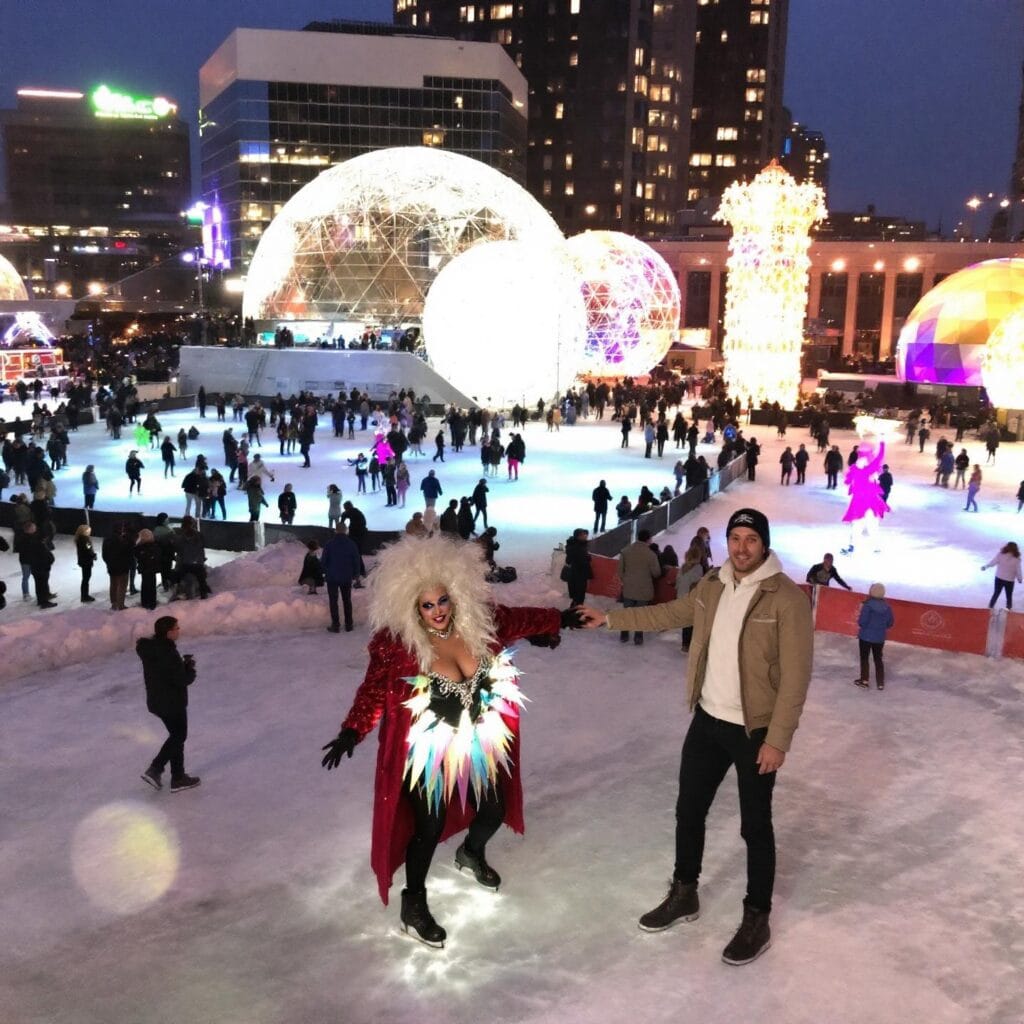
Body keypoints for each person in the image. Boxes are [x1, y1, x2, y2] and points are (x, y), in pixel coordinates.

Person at [577, 508, 814, 966]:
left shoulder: (786, 599)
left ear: (764, 544)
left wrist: (778, 740)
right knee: (688, 811)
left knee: (755, 826)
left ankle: (757, 917)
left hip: (754, 730)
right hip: (707, 720)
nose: (742, 547)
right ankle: (684, 892)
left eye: (751, 539)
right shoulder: (712, 585)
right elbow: (668, 613)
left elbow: (796, 677)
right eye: (735, 537)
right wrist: (609, 620)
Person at [319, 536, 582, 946]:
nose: (438, 611)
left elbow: (522, 619)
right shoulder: (397, 644)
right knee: (429, 825)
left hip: (477, 743)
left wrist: (559, 620)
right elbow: (373, 690)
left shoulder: (480, 622)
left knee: (493, 810)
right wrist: (352, 730)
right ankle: (413, 903)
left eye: (443, 600)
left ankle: (470, 852)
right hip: (428, 750)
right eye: (427, 605)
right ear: (413, 606)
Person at [138, 617, 200, 792]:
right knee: (178, 736)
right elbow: (181, 680)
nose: (179, 631)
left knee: (176, 736)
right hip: (172, 702)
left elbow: (166, 673)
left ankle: (178, 777)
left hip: (158, 701)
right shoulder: (167, 652)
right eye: (176, 628)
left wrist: (181, 666)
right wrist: (189, 669)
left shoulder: (152, 649)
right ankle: (156, 769)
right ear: (168, 632)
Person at [617, 529, 662, 645]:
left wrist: (625, 580)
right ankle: (638, 637)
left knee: (627, 612)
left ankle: (624, 634)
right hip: (644, 589)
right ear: (648, 539)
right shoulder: (651, 555)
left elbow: (620, 571)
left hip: (629, 588)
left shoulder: (626, 551)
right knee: (640, 614)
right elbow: (656, 573)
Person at [322, 523, 362, 632]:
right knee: (347, 600)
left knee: (333, 601)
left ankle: (335, 625)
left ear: (336, 530)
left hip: (332, 577)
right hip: (346, 576)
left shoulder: (329, 544)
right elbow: (356, 560)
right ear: (346, 530)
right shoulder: (351, 544)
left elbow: (323, 561)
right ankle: (349, 624)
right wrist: (356, 574)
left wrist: (325, 572)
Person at [855, 583, 894, 690]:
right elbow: (890, 623)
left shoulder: (867, 605)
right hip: (879, 638)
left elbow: (862, 622)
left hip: (865, 637)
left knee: (864, 658)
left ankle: (864, 680)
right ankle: (880, 683)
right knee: (878, 659)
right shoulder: (887, 607)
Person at [675, 539, 705, 651]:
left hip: (681, 597)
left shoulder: (683, 567)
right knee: (692, 622)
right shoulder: (698, 568)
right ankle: (690, 644)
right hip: (691, 599)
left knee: (686, 622)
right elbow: (698, 583)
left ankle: (685, 644)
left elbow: (677, 583)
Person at [102, 520, 135, 610]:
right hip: (122, 567)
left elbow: (104, 555)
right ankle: (121, 605)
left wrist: (108, 563)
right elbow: (128, 553)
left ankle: (114, 604)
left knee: (113, 584)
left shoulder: (107, 539)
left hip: (111, 566)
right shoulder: (122, 540)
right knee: (122, 586)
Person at [982, 542, 1022, 610]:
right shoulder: (1017, 559)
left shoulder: (1001, 554)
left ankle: (991, 606)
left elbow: (993, 562)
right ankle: (1008, 608)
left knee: (996, 593)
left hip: (999, 578)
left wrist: (986, 566)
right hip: (1009, 580)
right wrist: (1020, 579)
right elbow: (1018, 570)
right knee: (1009, 595)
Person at [563, 527, 592, 607]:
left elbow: (568, 560)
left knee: (577, 596)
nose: (585, 536)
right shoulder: (577, 547)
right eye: (583, 535)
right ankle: (576, 611)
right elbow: (582, 560)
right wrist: (588, 558)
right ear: (578, 537)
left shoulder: (576, 545)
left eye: (585, 534)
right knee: (579, 596)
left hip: (577, 574)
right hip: (578, 575)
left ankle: (575, 608)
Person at [135, 529, 162, 611]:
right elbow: (158, 556)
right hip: (152, 568)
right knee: (152, 585)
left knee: (145, 584)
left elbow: (137, 556)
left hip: (144, 569)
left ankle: (145, 602)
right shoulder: (154, 546)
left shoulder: (139, 547)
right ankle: (152, 602)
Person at [75, 524, 97, 603]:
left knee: (85, 578)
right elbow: (89, 550)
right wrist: (94, 555)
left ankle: (84, 595)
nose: (89, 532)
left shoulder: (80, 539)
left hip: (83, 561)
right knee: (86, 579)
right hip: (86, 561)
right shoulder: (85, 540)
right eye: (88, 531)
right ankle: (85, 596)